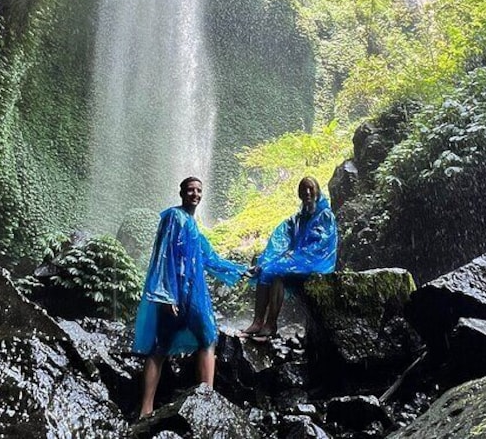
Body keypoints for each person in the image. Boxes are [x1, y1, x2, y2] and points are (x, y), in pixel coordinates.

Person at [132, 177, 246, 417]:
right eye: (190, 190)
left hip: (194, 296)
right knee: (160, 347)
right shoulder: (173, 217)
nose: (195, 194)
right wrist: (165, 296)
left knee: (207, 338)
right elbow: (163, 256)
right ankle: (145, 408)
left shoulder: (194, 226)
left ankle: (207, 399)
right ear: (182, 193)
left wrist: (243, 270)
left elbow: (210, 258)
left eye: (199, 190)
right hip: (174, 296)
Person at [242, 176, 338, 339]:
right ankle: (258, 321)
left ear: (317, 192)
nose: (307, 192)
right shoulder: (297, 219)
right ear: (299, 194)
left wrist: (296, 255)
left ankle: (271, 324)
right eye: (303, 189)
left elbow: (323, 245)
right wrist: (264, 262)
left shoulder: (325, 216)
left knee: (278, 273)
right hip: (298, 262)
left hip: (317, 263)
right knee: (267, 271)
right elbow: (279, 241)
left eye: (310, 188)